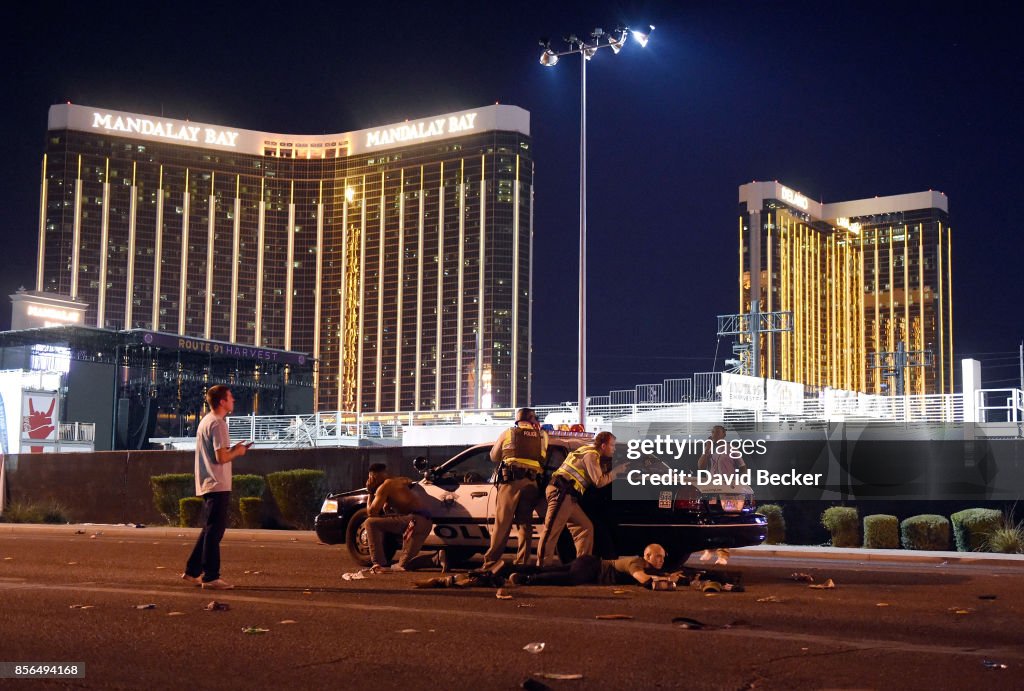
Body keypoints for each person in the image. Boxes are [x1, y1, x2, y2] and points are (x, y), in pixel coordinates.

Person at [182, 385, 249, 590]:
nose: (233, 400)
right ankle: (211, 576)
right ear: (222, 402)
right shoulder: (219, 424)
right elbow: (221, 457)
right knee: (214, 531)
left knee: (209, 529)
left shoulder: (205, 421)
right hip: (217, 482)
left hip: (207, 482)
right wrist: (238, 451)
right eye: (230, 397)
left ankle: (192, 571)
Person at [536, 431, 628, 566]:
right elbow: (599, 481)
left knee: (585, 527)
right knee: (551, 531)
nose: (613, 449)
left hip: (569, 496)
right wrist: (616, 472)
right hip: (561, 492)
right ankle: (542, 568)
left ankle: (582, 566)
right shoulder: (591, 455)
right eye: (612, 446)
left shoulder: (586, 450)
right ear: (603, 446)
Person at [480, 408, 548, 570]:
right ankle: (522, 562)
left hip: (511, 482)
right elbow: (543, 458)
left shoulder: (509, 433)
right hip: (532, 483)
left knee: (502, 523)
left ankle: (491, 562)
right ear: (533, 419)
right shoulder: (542, 435)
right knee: (525, 524)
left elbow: (494, 456)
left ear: (517, 420)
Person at [363, 463, 445, 572]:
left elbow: (371, 513)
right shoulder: (399, 481)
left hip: (414, 522)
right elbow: (409, 480)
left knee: (370, 522)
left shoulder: (383, 487)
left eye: (370, 478)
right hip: (425, 522)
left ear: (374, 476)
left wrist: (370, 492)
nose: (369, 481)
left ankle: (378, 563)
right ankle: (437, 558)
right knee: (405, 565)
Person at [504, 543, 681, 588]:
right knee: (570, 579)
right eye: (657, 557)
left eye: (663, 557)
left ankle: (509, 568)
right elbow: (645, 581)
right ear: (647, 555)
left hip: (589, 563)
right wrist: (668, 581)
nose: (661, 560)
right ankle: (525, 579)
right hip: (592, 567)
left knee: (549, 569)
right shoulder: (636, 563)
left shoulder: (645, 566)